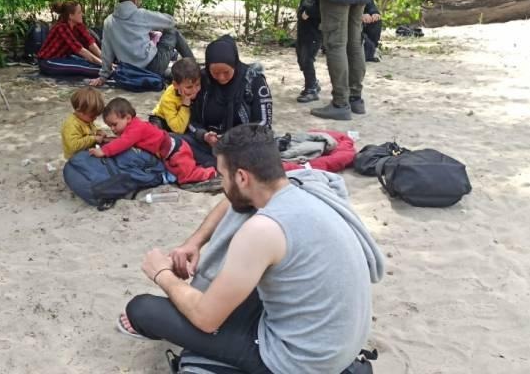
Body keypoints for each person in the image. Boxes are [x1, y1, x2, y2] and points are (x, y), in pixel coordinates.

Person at [118, 124, 383, 373]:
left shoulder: (262, 230)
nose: (222, 185)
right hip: (337, 341)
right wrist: (194, 242)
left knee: (143, 310)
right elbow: (232, 202)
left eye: (222, 177)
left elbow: (206, 318)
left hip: (300, 361)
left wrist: (162, 274)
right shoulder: (302, 186)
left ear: (242, 177)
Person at [185, 35, 272, 168]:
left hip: (244, 145)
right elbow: (190, 121)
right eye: (215, 73)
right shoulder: (201, 81)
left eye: (226, 72)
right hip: (208, 144)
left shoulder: (254, 81)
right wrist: (204, 135)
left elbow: (264, 124)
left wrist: (234, 138)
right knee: (175, 142)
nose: (221, 78)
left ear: (234, 65)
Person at [91, 98, 216, 185]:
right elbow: (122, 140)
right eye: (110, 126)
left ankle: (211, 172)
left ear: (128, 118)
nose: (112, 129)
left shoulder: (135, 129)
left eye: (114, 124)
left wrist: (103, 151)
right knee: (182, 170)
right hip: (170, 151)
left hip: (177, 151)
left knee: (185, 177)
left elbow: (123, 142)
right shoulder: (132, 127)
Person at [89, 0, 194, 86]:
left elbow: (107, 51)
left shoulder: (108, 21)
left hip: (130, 72)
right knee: (173, 32)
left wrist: (103, 76)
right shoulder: (141, 14)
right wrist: (156, 27)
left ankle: (169, 75)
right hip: (152, 67)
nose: (140, 2)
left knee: (163, 65)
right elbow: (170, 22)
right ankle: (194, 68)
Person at [37, 0, 103, 78]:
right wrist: (105, 65)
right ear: (71, 16)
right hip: (48, 61)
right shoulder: (61, 27)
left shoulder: (78, 25)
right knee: (83, 67)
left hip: (64, 57)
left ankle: (110, 70)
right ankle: (111, 73)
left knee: (88, 62)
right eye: (79, 12)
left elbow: (90, 42)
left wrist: (105, 60)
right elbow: (81, 50)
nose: (82, 14)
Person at [293, 0, 323, 103]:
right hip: (303, 34)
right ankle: (314, 83)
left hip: (313, 35)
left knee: (307, 59)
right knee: (301, 58)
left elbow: (323, 11)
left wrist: (309, 13)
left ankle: (311, 88)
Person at [149, 57, 202, 134]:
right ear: (175, 85)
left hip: (181, 119)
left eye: (197, 85)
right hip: (162, 118)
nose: (195, 90)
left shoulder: (199, 89)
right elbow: (178, 129)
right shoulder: (168, 99)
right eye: (189, 87)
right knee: (156, 133)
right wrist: (185, 104)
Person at [61, 87, 108, 159]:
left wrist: (98, 131)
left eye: (96, 115)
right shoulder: (71, 125)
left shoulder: (85, 119)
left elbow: (90, 129)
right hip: (75, 159)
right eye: (92, 116)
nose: (95, 118)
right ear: (79, 111)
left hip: (85, 153)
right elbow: (73, 146)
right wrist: (94, 139)